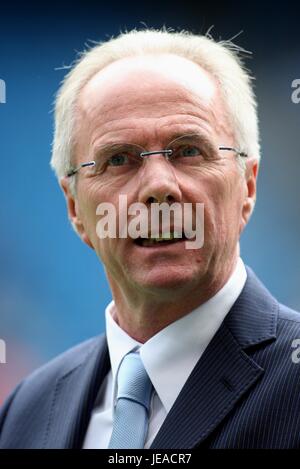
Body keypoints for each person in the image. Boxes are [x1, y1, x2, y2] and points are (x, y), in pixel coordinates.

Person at [1, 28, 300, 450]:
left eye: (189, 150)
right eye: (118, 159)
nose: (159, 186)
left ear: (247, 186)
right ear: (73, 207)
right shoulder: (26, 413)